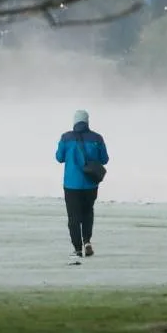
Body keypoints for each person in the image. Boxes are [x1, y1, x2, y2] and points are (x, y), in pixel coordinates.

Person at [55, 109, 109, 260]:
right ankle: (87, 241)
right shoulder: (97, 138)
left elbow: (59, 157)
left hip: (71, 184)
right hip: (90, 184)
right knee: (87, 213)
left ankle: (77, 249)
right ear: (87, 121)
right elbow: (104, 159)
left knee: (73, 217)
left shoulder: (66, 137)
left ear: (74, 122)